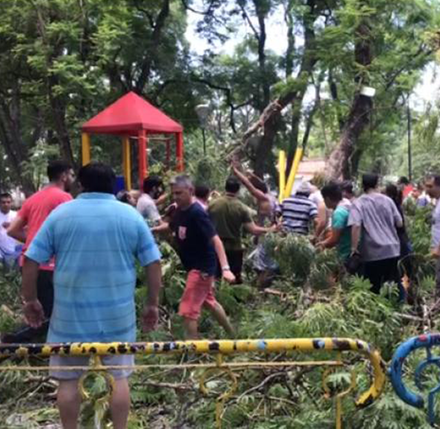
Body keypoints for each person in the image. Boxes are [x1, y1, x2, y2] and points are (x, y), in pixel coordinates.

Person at [19, 162, 162, 429]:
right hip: (117, 316)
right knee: (119, 377)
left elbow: (30, 259)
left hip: (69, 317)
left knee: (68, 379)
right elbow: (153, 263)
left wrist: (31, 300)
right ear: (113, 186)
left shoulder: (62, 215)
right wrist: (152, 304)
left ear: (80, 184)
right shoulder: (130, 216)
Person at [0, 160, 74, 344]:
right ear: (63, 176)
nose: (72, 179)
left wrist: (34, 242)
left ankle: (28, 346)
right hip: (49, 265)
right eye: (71, 175)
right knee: (49, 316)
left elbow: (12, 230)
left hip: (29, 264)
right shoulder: (64, 198)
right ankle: (5, 343)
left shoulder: (33, 199)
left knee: (43, 311)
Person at [168, 175, 237, 339]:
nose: (176, 197)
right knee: (209, 301)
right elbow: (170, 227)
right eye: (173, 194)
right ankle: (233, 334)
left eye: (179, 193)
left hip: (202, 268)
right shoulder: (179, 211)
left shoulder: (197, 213)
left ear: (190, 191)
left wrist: (226, 269)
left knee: (188, 310)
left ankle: (193, 352)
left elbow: (216, 240)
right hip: (194, 266)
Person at [208, 177, 276, 284]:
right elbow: (253, 230)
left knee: (213, 278)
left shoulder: (212, 205)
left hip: (214, 247)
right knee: (234, 280)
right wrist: (270, 229)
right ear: (238, 190)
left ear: (225, 187)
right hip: (234, 248)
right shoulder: (241, 208)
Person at [349, 173, 403, 294]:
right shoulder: (388, 201)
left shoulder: (358, 203)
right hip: (392, 249)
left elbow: (356, 225)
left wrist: (354, 248)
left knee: (374, 287)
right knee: (391, 285)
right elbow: (399, 223)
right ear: (377, 184)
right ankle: (395, 308)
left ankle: (378, 311)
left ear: (363, 185)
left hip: (372, 252)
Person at [317, 182, 352, 265]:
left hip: (346, 254)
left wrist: (320, 245)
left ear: (328, 199)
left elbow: (334, 239)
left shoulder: (338, 213)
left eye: (324, 199)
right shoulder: (346, 205)